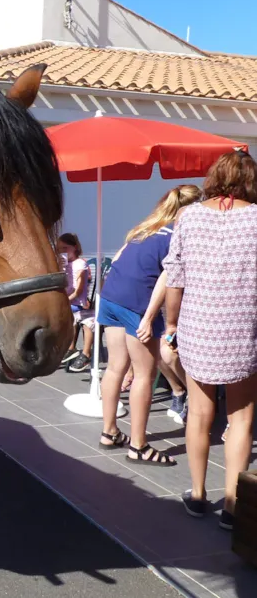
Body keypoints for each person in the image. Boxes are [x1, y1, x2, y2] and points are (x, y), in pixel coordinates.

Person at [164, 151, 257, 531]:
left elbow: (175, 277)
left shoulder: (190, 216)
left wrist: (171, 324)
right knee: (240, 421)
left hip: (198, 328)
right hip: (244, 331)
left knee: (199, 416)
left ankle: (199, 494)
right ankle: (234, 507)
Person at [97, 184, 201, 466]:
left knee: (116, 366)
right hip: (137, 303)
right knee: (145, 375)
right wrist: (148, 317)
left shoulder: (146, 228)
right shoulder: (178, 235)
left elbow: (117, 259)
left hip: (111, 297)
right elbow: (166, 278)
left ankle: (109, 432)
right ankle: (139, 447)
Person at [57, 233, 95, 373]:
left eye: (65, 248)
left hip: (78, 302)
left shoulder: (80, 264)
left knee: (73, 315)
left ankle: (80, 351)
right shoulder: (64, 265)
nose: (62, 252)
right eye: (59, 249)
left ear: (75, 247)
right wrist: (60, 269)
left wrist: (65, 301)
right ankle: (69, 347)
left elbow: (78, 290)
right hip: (68, 301)